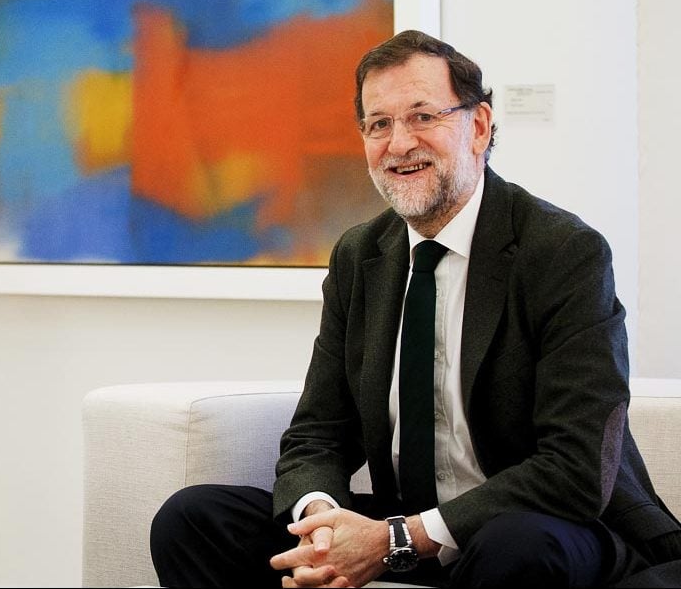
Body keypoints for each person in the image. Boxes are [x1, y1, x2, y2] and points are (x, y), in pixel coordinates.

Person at [150, 30, 681, 587]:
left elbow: (574, 469)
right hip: (404, 523)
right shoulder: (361, 255)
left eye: (422, 116)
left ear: (478, 127)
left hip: (543, 528)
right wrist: (324, 527)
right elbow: (318, 434)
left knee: (517, 545)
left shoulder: (562, 252)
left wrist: (394, 539)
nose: (399, 143)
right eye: (379, 124)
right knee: (194, 519)